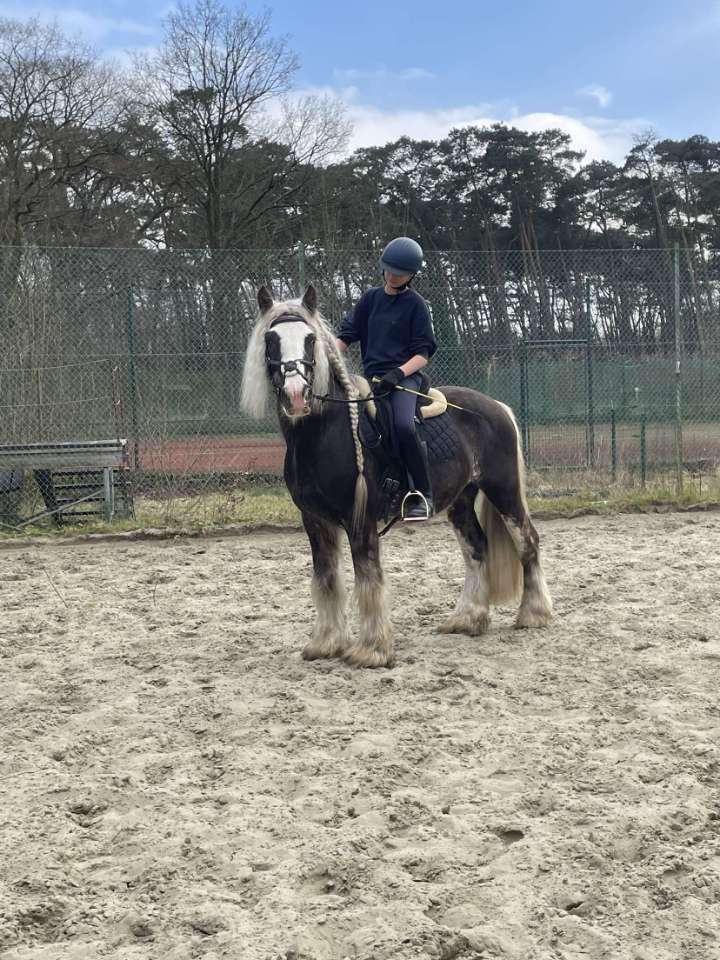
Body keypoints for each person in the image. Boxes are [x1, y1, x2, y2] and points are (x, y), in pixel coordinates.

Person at [335, 236, 437, 520]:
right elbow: (346, 335)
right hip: (372, 380)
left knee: (403, 426)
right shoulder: (370, 299)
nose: (392, 275)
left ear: (411, 275)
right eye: (389, 269)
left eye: (399, 272)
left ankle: (422, 494)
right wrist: (327, 355)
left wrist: (398, 373)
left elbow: (423, 353)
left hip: (405, 379)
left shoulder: (416, 305)